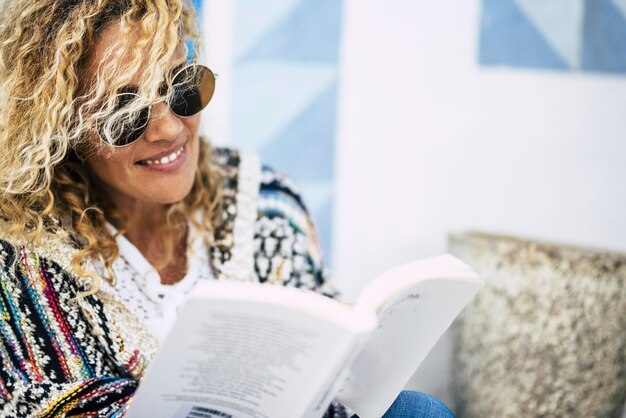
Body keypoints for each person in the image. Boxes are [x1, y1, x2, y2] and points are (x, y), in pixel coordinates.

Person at [0, 0, 455, 417]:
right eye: (124, 114)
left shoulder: (266, 203)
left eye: (180, 87)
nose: (169, 129)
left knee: (417, 410)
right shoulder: (20, 259)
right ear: (61, 126)